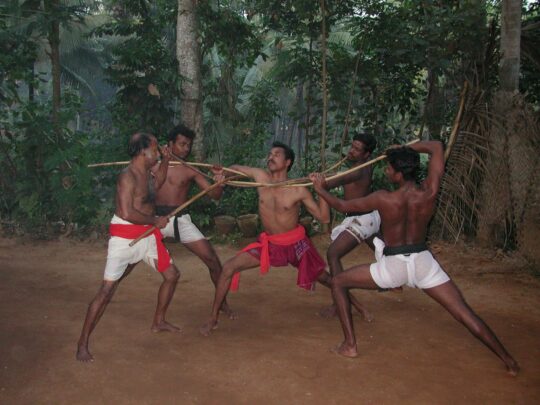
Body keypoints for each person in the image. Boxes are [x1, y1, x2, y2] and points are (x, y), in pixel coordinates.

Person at [310, 140, 520, 376]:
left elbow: (342, 204)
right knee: (463, 312)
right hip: (423, 263)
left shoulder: (383, 198)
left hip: (393, 267)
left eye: (390, 168)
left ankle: (349, 345)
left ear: (399, 174)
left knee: (338, 282)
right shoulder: (429, 191)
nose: (387, 171)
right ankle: (508, 360)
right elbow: (437, 148)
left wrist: (320, 189)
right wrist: (406, 148)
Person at [199, 141, 331, 336]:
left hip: (296, 245)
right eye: (269, 153)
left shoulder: (298, 189)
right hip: (270, 245)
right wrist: (223, 174)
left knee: (326, 279)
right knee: (228, 267)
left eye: (276, 154)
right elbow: (235, 169)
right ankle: (213, 319)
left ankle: (355, 304)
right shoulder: (261, 177)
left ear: (288, 162)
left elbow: (324, 217)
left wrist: (321, 190)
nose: (271, 157)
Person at [76, 133, 181, 362]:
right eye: (155, 150)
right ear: (143, 151)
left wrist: (165, 159)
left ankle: (158, 321)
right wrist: (155, 220)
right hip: (125, 237)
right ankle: (82, 343)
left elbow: (159, 183)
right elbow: (126, 212)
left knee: (172, 275)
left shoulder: (148, 172)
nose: (157, 152)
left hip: (147, 235)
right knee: (106, 291)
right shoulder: (127, 176)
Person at [154, 124, 234, 318]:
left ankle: (222, 302)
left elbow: (214, 195)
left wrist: (218, 181)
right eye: (182, 144)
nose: (186, 149)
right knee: (130, 259)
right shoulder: (153, 166)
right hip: (154, 220)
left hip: (179, 219)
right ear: (170, 144)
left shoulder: (190, 170)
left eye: (188, 145)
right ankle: (109, 284)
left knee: (212, 260)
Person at [319, 132, 380, 320]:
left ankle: (339, 302)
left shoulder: (358, 170)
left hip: (362, 219)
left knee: (333, 254)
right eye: (351, 146)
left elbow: (331, 183)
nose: (351, 151)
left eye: (357, 149)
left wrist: (318, 182)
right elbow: (336, 178)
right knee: (385, 251)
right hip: (365, 217)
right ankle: (395, 281)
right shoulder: (360, 166)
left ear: (366, 154)